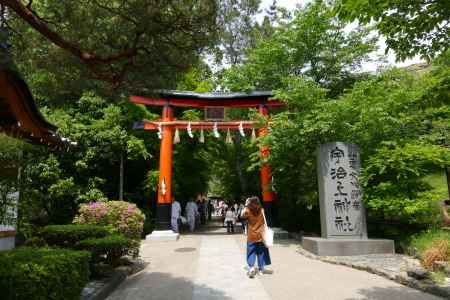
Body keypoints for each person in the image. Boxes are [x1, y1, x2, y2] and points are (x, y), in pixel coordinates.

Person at [241, 196, 272, 278]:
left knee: (251, 252)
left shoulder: (248, 210)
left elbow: (241, 216)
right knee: (261, 253)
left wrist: (246, 205)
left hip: (251, 236)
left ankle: (251, 267)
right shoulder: (262, 210)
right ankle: (261, 270)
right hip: (261, 236)